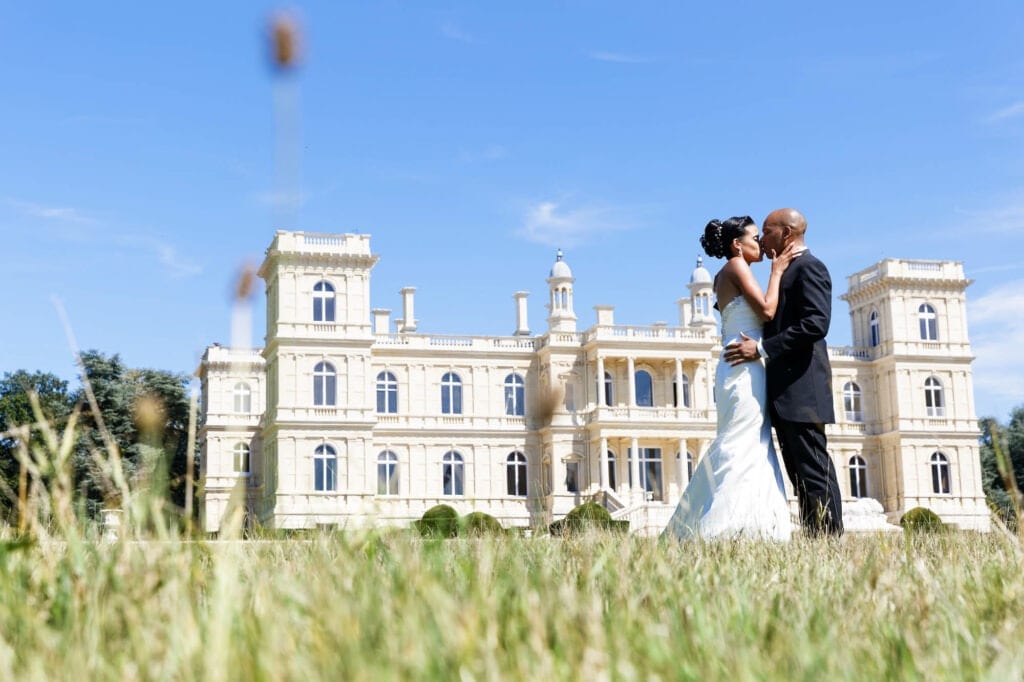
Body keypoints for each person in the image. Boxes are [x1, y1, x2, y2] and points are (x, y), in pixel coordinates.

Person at [662, 215, 795, 541]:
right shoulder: (736, 267)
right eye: (754, 238)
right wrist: (777, 273)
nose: (760, 243)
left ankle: (750, 525)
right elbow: (766, 311)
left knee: (748, 440)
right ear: (737, 244)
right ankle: (718, 527)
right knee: (741, 442)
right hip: (744, 365)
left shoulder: (726, 274)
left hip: (738, 364)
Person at [723, 208, 843, 537]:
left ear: (786, 234)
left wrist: (762, 349)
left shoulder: (810, 267)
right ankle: (816, 536)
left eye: (767, 231)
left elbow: (816, 324)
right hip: (784, 391)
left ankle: (829, 539)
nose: (761, 238)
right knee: (799, 473)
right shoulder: (785, 269)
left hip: (803, 388)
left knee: (813, 469)